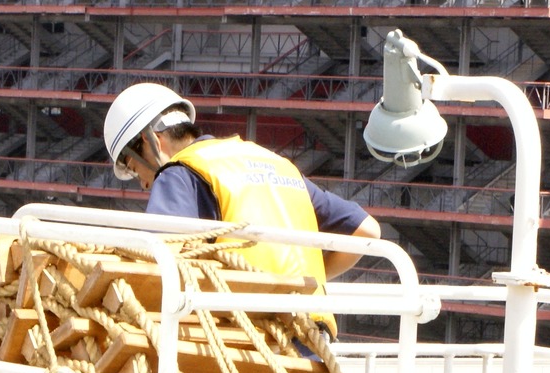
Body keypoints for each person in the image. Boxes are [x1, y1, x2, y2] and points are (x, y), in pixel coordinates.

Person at [102, 82, 381, 292]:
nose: (141, 180)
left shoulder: (179, 174)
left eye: (131, 165)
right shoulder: (277, 164)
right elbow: (366, 230)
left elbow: (159, 259)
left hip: (245, 336)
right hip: (311, 335)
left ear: (152, 140)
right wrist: (300, 286)